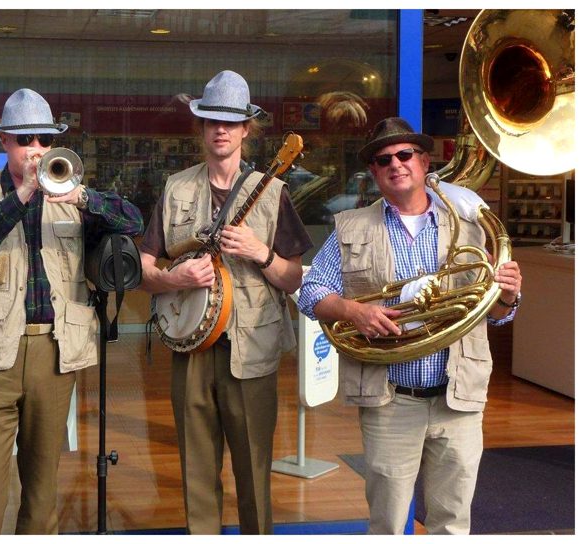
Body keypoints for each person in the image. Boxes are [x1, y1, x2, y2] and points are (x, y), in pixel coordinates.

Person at [297, 117, 523, 534]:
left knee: (452, 521)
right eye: (384, 160)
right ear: (374, 172)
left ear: (423, 162)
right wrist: (353, 311)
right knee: (386, 523)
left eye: (405, 155)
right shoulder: (351, 226)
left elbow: (496, 313)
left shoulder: (471, 224)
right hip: (392, 400)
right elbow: (311, 291)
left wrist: (506, 295)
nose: (395, 164)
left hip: (458, 398)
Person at [0, 88, 143, 535]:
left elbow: (134, 221)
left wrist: (84, 199)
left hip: (54, 354)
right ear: (5, 143)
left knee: (41, 484)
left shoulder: (69, 194)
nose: (35, 150)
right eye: (25, 140)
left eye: (44, 141)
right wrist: (24, 195)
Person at [138, 70, 313, 534]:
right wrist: (172, 279)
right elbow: (143, 269)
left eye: (231, 122)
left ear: (245, 129)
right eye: (212, 120)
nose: (221, 129)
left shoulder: (273, 192)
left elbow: (294, 278)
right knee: (196, 473)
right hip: (190, 350)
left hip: (251, 353)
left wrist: (261, 253)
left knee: (254, 472)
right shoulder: (176, 189)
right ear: (200, 127)